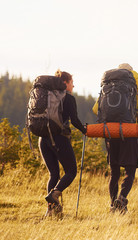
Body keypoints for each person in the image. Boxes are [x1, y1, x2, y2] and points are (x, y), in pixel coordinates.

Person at [93, 63, 138, 213]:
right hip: (128, 132)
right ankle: (122, 199)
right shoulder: (136, 89)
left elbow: (95, 109)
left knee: (114, 172)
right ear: (132, 74)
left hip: (111, 133)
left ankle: (112, 204)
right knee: (130, 171)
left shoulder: (108, 87)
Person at [40, 70, 87, 217]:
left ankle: (51, 210)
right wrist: (85, 130)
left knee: (53, 174)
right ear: (65, 83)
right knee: (71, 171)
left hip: (43, 138)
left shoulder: (46, 96)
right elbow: (74, 120)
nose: (73, 86)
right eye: (72, 83)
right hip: (59, 138)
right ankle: (55, 195)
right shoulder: (68, 98)